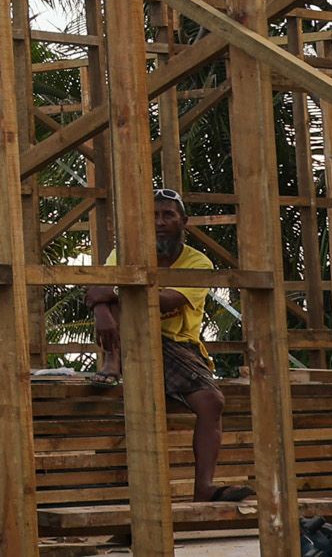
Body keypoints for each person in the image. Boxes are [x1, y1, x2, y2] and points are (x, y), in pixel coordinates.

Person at [81, 187, 248, 504]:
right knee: (120, 286)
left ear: (184, 221)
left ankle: (203, 488)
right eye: (153, 216)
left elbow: (167, 299)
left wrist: (109, 294)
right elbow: (97, 287)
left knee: (212, 402)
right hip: (130, 335)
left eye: (168, 215)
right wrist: (101, 310)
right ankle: (112, 361)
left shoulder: (197, 262)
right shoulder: (125, 252)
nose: (159, 222)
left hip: (177, 345)